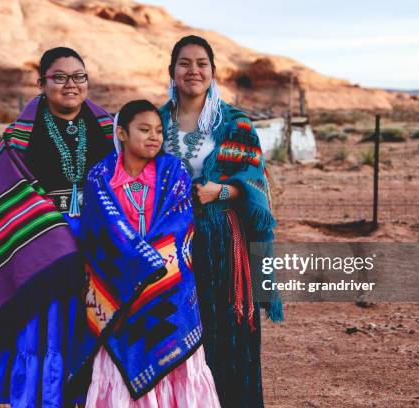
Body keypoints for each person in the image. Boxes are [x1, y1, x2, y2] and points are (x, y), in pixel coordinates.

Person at [0, 47, 115, 407]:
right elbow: (7, 192)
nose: (70, 85)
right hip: (41, 243)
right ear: (41, 83)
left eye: (79, 76)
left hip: (99, 241)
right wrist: (56, 235)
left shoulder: (110, 130)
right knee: (46, 327)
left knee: (94, 320)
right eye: (59, 77)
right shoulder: (18, 137)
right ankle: (42, 397)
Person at [158, 35, 284, 407]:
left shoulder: (235, 124)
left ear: (213, 72)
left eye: (201, 63)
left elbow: (256, 188)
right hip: (168, 245)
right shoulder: (153, 122)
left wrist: (220, 192)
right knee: (176, 336)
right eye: (184, 63)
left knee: (228, 335)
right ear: (172, 70)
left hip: (223, 244)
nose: (192, 70)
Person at [77, 100, 220, 407]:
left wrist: (147, 266)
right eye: (144, 129)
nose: (154, 136)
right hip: (118, 291)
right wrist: (136, 265)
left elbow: (179, 226)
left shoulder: (174, 172)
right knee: (118, 370)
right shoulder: (100, 177)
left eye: (158, 130)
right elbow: (99, 233)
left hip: (168, 289)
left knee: (175, 367)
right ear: (122, 133)